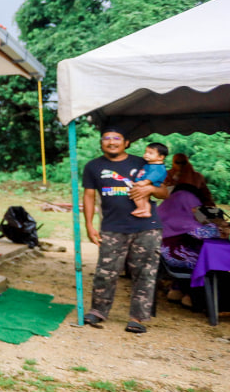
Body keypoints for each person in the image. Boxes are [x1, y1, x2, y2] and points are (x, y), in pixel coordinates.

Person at [81, 127, 163, 334]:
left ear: (126, 142)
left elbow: (165, 192)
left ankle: (137, 317)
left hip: (146, 228)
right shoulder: (93, 167)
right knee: (105, 272)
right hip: (112, 227)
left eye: (116, 138)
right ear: (101, 143)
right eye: (106, 138)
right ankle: (98, 311)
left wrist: (151, 189)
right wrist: (89, 225)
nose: (111, 142)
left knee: (144, 273)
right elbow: (89, 197)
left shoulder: (143, 163)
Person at [156, 153, 217, 306]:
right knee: (205, 257)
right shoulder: (189, 216)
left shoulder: (163, 210)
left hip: (163, 254)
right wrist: (218, 225)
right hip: (175, 257)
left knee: (192, 249)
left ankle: (176, 289)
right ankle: (193, 296)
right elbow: (206, 232)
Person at [131, 142, 169, 218]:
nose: (146, 154)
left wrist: (145, 182)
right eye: (146, 152)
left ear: (161, 157)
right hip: (145, 183)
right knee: (145, 198)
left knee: (137, 195)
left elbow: (154, 175)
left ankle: (141, 208)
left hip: (149, 184)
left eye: (150, 153)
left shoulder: (158, 167)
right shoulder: (150, 164)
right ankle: (146, 210)